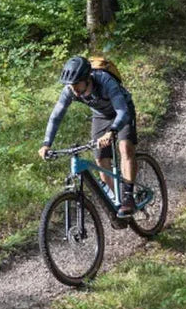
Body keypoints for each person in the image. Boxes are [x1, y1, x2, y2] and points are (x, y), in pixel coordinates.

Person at [38, 55, 138, 215]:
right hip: (101, 115)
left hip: (122, 111)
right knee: (100, 158)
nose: (73, 89)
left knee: (125, 147)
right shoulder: (70, 90)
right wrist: (46, 143)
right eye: (71, 85)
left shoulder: (105, 81)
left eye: (77, 84)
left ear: (87, 79)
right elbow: (56, 116)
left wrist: (112, 131)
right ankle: (116, 201)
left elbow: (122, 111)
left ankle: (128, 196)